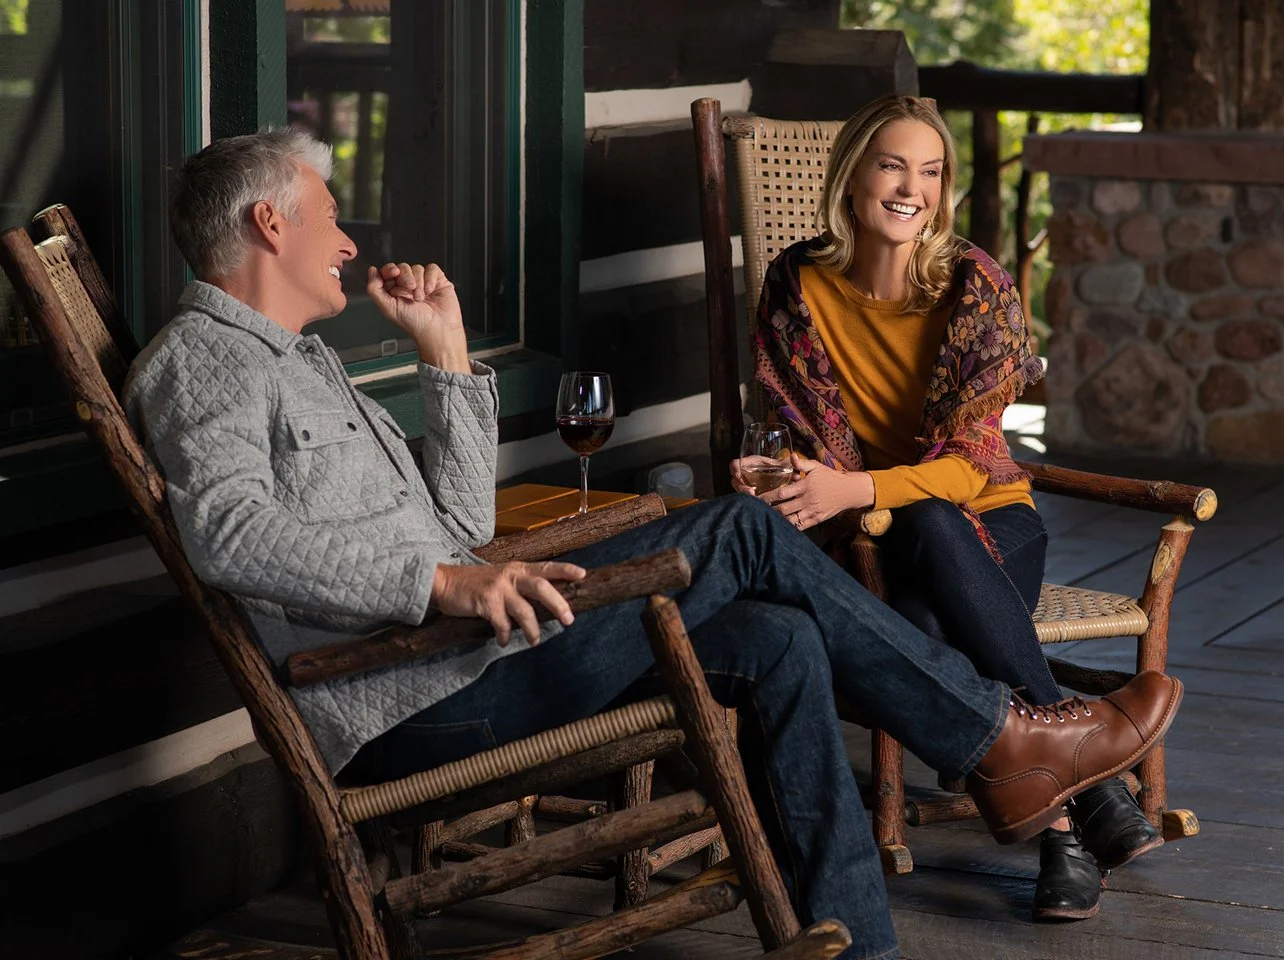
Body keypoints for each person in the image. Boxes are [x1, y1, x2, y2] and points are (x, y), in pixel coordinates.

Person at [125, 128, 1183, 959]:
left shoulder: (306, 362)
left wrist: (449, 362)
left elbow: (458, 529)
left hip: (471, 655)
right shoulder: (202, 363)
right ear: (271, 223)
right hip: (409, 701)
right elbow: (228, 534)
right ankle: (1001, 741)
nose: (349, 240)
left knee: (777, 638)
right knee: (743, 531)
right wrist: (438, 583)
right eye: (326, 218)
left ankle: (863, 940)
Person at [733, 95, 1161, 921]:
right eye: (893, 164)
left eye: (930, 172)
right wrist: (784, 472)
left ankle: (1059, 823)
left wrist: (851, 489)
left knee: (926, 592)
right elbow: (806, 436)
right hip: (871, 535)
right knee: (919, 616)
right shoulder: (795, 287)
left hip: (988, 522)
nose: (911, 187)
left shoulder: (975, 287)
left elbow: (969, 470)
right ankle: (1081, 798)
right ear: (852, 174)